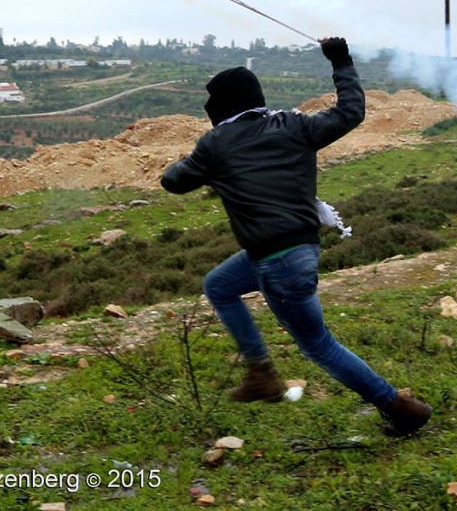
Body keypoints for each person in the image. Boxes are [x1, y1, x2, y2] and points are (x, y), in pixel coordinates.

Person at [161, 37, 432, 437]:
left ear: (222, 106)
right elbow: (351, 111)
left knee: (319, 346)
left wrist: (196, 161)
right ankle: (260, 373)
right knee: (219, 284)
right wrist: (340, 60)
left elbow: (172, 182)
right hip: (298, 250)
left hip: (276, 262)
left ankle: (397, 406)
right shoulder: (293, 124)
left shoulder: (214, 144)